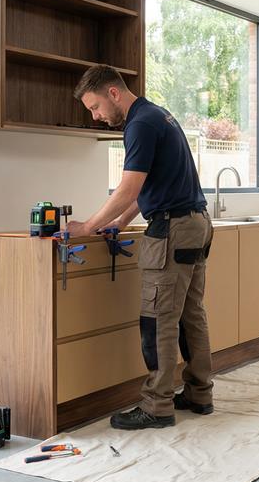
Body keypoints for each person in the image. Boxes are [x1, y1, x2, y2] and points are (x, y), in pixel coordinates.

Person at [67, 64, 214, 429]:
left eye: (95, 107)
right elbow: (150, 187)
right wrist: (119, 223)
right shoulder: (157, 115)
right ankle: (199, 393)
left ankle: (157, 405)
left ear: (113, 93)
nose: (97, 116)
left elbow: (129, 188)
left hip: (173, 230)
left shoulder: (139, 124)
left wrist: (87, 226)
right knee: (189, 314)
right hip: (195, 223)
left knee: (158, 319)